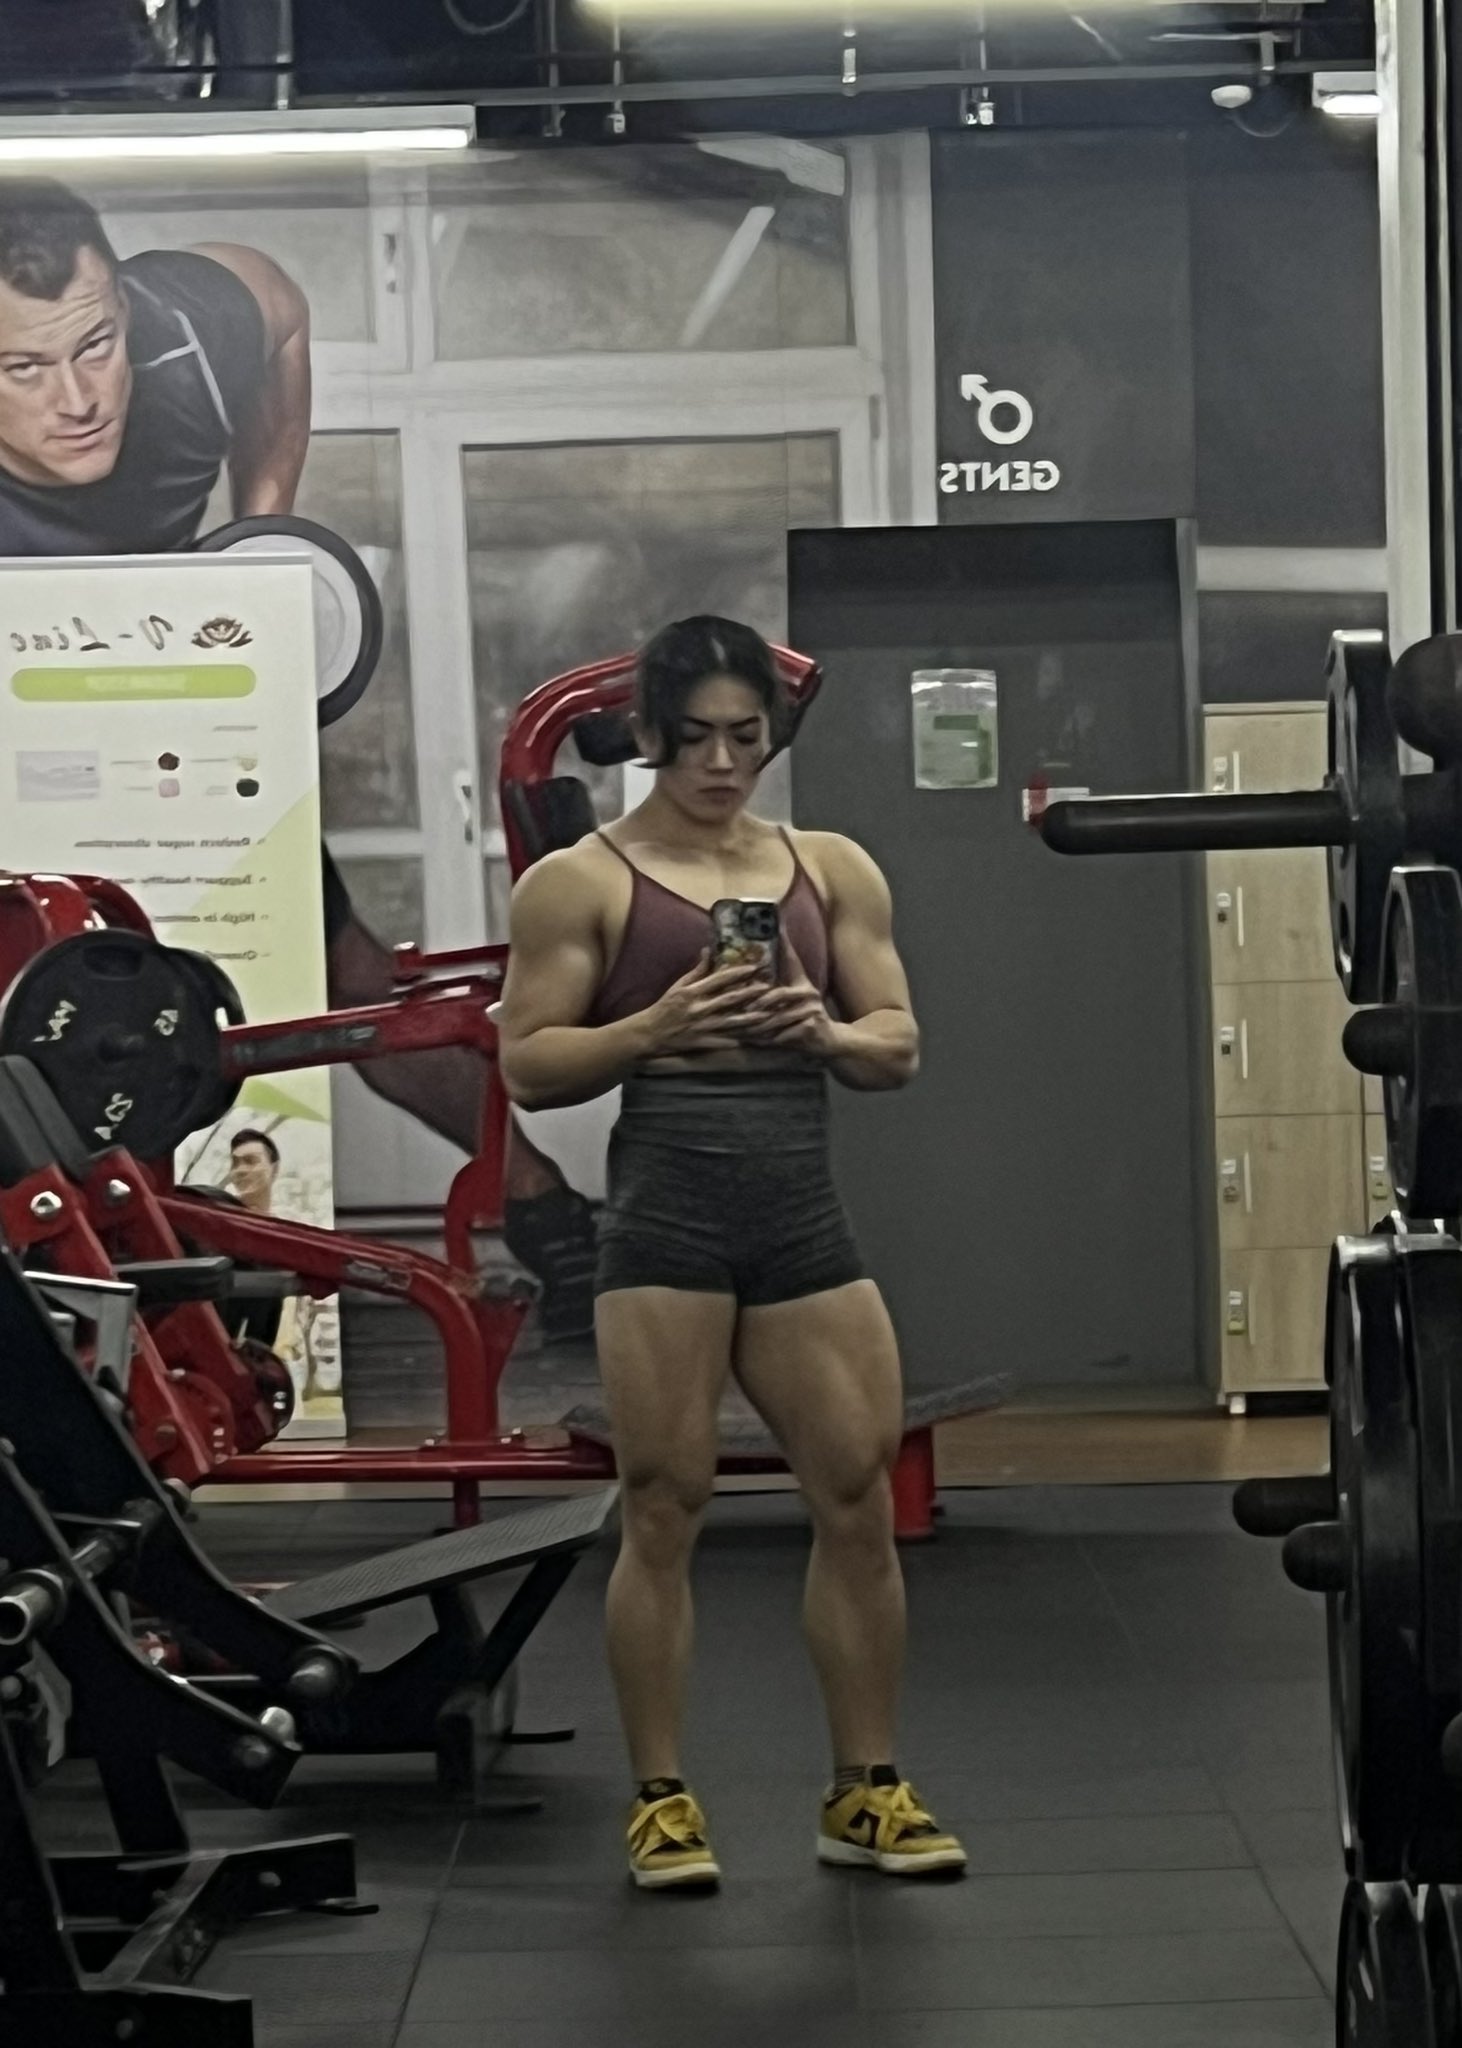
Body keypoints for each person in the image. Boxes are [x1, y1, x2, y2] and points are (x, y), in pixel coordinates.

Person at [0, 175, 597, 1326]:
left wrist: (260, 525)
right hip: (16, 753)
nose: (78, 399)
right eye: (24, 368)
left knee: (347, 987)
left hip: (176, 723)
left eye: (95, 346)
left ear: (122, 307)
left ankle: (546, 1208)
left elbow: (275, 302)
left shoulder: (183, 337)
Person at [499, 615, 967, 1890]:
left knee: (857, 1492)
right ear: (649, 735)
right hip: (667, 1217)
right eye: (696, 736)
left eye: (744, 736)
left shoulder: (829, 866)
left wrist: (821, 1031)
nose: (720, 762)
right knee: (663, 1502)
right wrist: (652, 1027)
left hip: (799, 1213)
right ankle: (661, 1798)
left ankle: (864, 1790)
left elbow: (897, 1044)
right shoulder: (581, 881)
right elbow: (528, 1064)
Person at [228, 1127, 281, 1216]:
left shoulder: (282, 1223)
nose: (240, 1170)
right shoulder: (217, 1213)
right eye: (235, 1163)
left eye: (250, 1161)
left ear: (274, 1169)